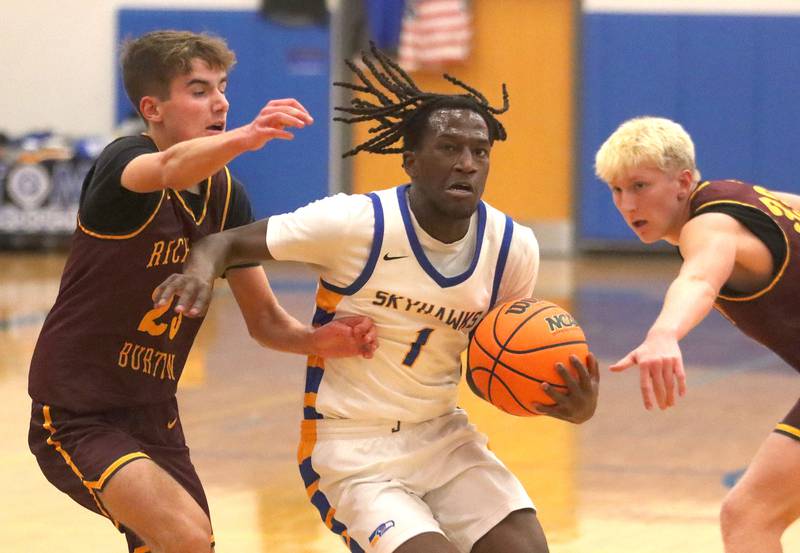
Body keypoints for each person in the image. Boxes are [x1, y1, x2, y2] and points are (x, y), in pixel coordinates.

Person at [153, 44, 600, 553]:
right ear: (410, 160)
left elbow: (489, 368)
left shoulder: (513, 248)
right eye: (449, 148)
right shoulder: (354, 224)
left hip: (444, 438)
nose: (467, 163)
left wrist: (554, 400)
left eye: (480, 151)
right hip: (352, 449)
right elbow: (223, 241)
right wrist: (199, 269)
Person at [27, 30, 377, 553]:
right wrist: (249, 136)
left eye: (222, 87)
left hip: (155, 411)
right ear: (153, 108)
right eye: (198, 89)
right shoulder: (123, 164)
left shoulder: (226, 194)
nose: (220, 102)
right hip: (78, 411)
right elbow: (169, 167)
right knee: (186, 539)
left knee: (186, 544)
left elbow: (266, 322)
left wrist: (325, 340)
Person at [595, 115, 800, 553]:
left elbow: (700, 280)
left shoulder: (706, 226)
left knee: (749, 516)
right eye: (616, 190)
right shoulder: (742, 195)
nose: (627, 204)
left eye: (639, 186)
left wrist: (664, 333)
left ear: (682, 182)